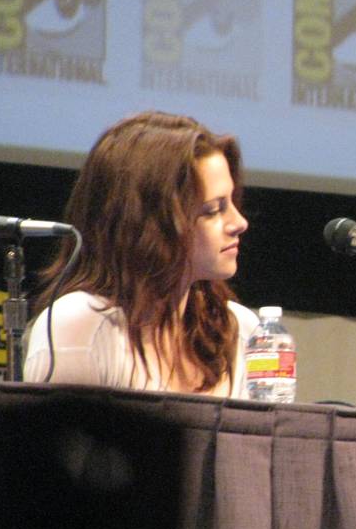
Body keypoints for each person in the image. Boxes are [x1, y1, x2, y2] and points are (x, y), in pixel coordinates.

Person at [24, 110, 259, 397]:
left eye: (232, 202)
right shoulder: (80, 327)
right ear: (149, 224)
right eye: (212, 210)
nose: (239, 222)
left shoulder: (241, 330)